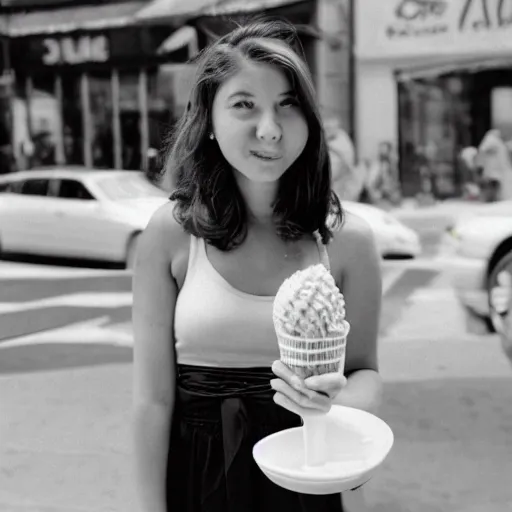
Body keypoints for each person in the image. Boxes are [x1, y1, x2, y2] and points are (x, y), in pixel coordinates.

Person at [132, 19, 382, 512]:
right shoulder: (170, 234)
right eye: (244, 104)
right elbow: (152, 402)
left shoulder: (349, 242)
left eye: (287, 104)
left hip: (308, 480)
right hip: (197, 481)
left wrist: (335, 402)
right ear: (207, 121)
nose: (269, 128)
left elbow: (366, 373)